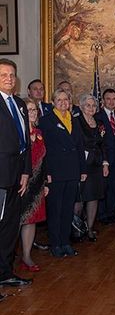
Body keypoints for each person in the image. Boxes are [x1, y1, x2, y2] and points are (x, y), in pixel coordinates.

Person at [40, 88, 87, 257]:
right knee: (55, 209)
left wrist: (82, 169)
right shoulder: (46, 121)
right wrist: (46, 173)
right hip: (55, 172)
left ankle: (65, 242)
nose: (63, 103)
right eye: (59, 100)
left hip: (72, 170)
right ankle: (55, 244)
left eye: (65, 100)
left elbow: (80, 146)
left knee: (68, 209)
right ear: (53, 102)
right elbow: (43, 150)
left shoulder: (74, 120)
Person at [0, 58, 32, 287]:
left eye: (12, 75)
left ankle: (5, 272)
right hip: (0, 176)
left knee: (10, 228)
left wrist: (26, 172)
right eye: (3, 75)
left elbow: (26, 143)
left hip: (16, 177)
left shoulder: (20, 104)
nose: (9, 79)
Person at [19, 99, 48, 272]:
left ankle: (27, 256)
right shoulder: (17, 133)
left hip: (37, 183)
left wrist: (45, 182)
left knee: (31, 221)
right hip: (21, 184)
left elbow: (44, 160)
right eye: (29, 109)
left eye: (34, 109)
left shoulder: (39, 132)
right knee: (17, 221)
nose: (32, 112)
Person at [75, 94, 108, 242]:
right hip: (82, 165)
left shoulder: (100, 122)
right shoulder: (76, 121)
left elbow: (103, 144)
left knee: (94, 196)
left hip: (96, 165)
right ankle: (76, 229)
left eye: (94, 105)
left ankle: (89, 228)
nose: (91, 108)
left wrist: (105, 163)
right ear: (81, 106)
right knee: (80, 199)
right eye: (88, 105)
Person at [95, 88, 115, 225]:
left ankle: (111, 213)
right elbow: (99, 142)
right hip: (104, 158)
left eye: (114, 99)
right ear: (103, 100)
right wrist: (103, 160)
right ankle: (102, 214)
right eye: (108, 99)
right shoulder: (98, 117)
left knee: (114, 186)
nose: (111, 102)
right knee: (103, 187)